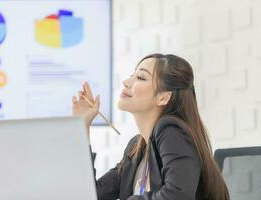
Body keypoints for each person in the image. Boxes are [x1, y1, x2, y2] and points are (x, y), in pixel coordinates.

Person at [72, 54, 229, 200]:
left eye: (140, 77)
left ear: (163, 97)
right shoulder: (136, 147)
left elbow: (177, 195)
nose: (126, 82)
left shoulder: (171, 130)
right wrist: (82, 125)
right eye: (132, 75)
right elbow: (89, 194)